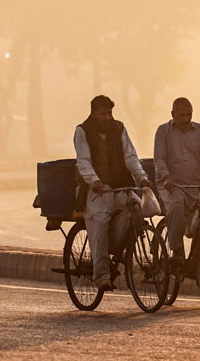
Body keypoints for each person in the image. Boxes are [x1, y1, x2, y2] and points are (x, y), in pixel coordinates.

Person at [74, 95, 152, 291]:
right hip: (97, 191)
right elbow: (84, 162)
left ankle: (120, 251)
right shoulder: (82, 131)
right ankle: (102, 276)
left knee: (137, 210)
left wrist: (141, 177)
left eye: (109, 113)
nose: (107, 118)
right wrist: (95, 181)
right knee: (99, 226)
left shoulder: (119, 128)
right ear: (93, 113)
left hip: (120, 187)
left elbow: (130, 156)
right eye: (103, 114)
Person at [154, 97, 200, 271]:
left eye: (188, 115)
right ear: (172, 114)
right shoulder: (163, 131)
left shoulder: (199, 130)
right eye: (181, 116)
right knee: (177, 207)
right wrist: (166, 176)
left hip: (196, 186)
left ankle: (195, 265)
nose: (185, 120)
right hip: (172, 186)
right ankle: (177, 252)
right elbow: (159, 159)